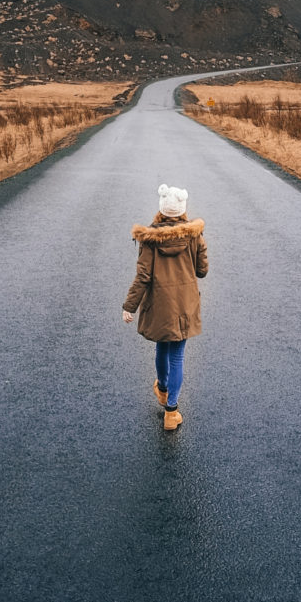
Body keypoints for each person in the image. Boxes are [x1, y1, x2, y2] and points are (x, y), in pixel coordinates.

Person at [122, 184, 208, 430]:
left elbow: (143, 277)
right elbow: (202, 271)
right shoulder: (194, 235)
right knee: (178, 354)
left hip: (160, 304)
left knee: (162, 346)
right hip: (185, 304)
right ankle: (171, 412)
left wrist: (130, 306)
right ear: (182, 210)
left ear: (161, 210)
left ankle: (161, 387)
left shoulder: (149, 240)